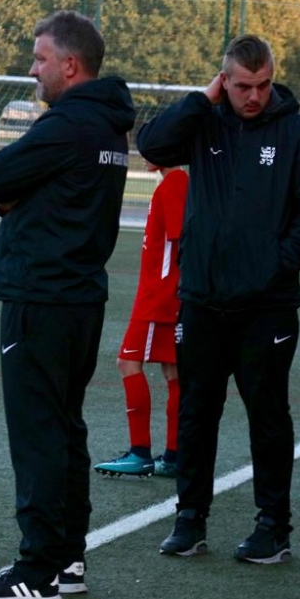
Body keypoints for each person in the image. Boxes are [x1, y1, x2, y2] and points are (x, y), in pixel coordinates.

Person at [136, 34, 300, 564]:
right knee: (197, 414)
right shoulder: (205, 122)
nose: (254, 96)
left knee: (267, 416)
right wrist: (201, 100)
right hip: (202, 300)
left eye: (263, 85)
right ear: (223, 81)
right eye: (243, 86)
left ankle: (273, 527)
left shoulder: (297, 133)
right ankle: (189, 519)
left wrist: (270, 264)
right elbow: (152, 146)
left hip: (267, 307)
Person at [0, 10, 135, 599]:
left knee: (39, 434)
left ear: (70, 64)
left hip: (42, 298)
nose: (32, 70)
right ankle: (68, 559)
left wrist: (17, 194)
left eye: (40, 59)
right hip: (81, 299)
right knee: (66, 430)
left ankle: (37, 570)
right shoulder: (109, 127)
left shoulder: (67, 125)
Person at [94, 162, 189, 478]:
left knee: (127, 362)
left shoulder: (175, 182)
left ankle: (140, 452)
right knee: (173, 370)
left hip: (159, 298)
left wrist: (171, 291)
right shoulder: (174, 181)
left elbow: (182, 240)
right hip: (164, 295)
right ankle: (174, 455)